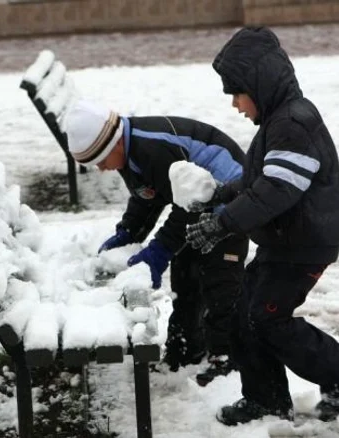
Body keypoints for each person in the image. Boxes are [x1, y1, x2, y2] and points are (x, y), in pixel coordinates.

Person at [185, 27, 339, 425]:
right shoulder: (278, 121)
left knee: (268, 318)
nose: (236, 105)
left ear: (258, 83)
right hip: (283, 241)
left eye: (238, 93)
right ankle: (265, 400)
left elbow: (275, 191)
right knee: (244, 316)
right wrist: (222, 194)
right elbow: (259, 179)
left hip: (306, 242)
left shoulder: (294, 123)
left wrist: (223, 223)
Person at [63, 99, 249, 386]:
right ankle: (185, 350)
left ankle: (227, 358)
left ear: (112, 145)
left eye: (99, 161)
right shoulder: (128, 152)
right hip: (199, 206)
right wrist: (129, 232)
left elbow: (186, 206)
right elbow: (147, 196)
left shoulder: (152, 149)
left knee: (219, 284)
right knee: (185, 279)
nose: (101, 169)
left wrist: (159, 250)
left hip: (231, 204)